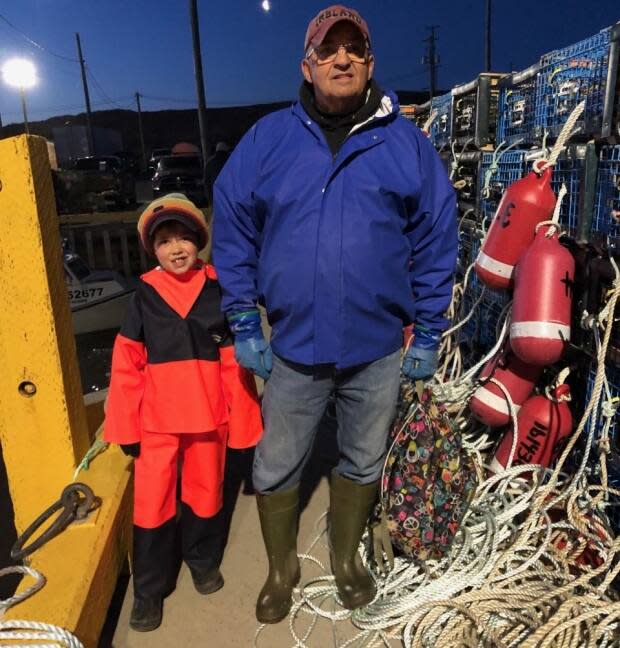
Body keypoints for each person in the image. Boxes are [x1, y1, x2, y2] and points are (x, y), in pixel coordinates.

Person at [212, 4, 457, 624]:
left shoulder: (405, 141)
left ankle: (347, 561)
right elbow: (234, 221)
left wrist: (428, 328)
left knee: (363, 457)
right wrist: (242, 315)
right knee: (275, 461)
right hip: (293, 345)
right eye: (328, 50)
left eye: (354, 49)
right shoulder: (270, 137)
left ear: (370, 63)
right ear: (308, 65)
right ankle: (281, 568)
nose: (341, 58)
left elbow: (435, 235)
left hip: (377, 347)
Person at [104, 193, 262, 632]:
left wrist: (245, 423)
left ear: (199, 241)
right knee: (152, 506)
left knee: (207, 495)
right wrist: (124, 425)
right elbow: (127, 366)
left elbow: (234, 365)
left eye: (184, 238)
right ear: (152, 249)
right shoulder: (143, 296)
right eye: (164, 240)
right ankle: (149, 590)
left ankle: (202, 561)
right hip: (156, 424)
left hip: (209, 420)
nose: (176, 248)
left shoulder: (219, 290)